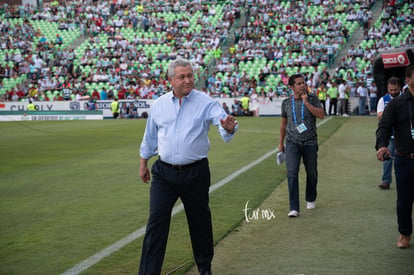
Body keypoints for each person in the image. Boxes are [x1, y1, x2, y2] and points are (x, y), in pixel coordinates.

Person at [138, 58, 238, 275]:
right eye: (182, 76)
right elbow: (150, 138)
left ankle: (204, 268)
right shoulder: (159, 105)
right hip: (164, 173)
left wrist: (228, 129)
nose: (188, 80)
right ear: (170, 80)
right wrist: (143, 164)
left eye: (190, 75)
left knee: (199, 222)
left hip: (195, 173)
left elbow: (222, 123)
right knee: (156, 222)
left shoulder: (205, 102)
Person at [376, 64, 414, 249]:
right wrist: (382, 145)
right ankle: (405, 234)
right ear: (408, 80)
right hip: (405, 159)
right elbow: (383, 127)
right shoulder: (396, 104)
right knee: (404, 201)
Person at [278, 74, 325, 217]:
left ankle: (310, 198)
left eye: (303, 83)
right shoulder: (286, 103)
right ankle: (294, 208)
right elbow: (283, 124)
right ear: (291, 87)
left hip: (310, 142)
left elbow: (321, 115)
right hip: (292, 142)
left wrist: (306, 103)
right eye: (298, 83)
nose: (303, 85)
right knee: (292, 173)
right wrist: (281, 143)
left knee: (312, 173)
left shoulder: (312, 99)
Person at [376, 77, 401, 190]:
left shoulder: (405, 98)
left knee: (403, 160)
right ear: (387, 88)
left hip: (402, 135)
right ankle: (386, 181)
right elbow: (379, 116)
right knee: (387, 159)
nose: (393, 92)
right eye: (391, 90)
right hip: (390, 135)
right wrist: (390, 109)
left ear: (399, 87)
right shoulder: (383, 100)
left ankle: (403, 181)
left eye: (395, 90)